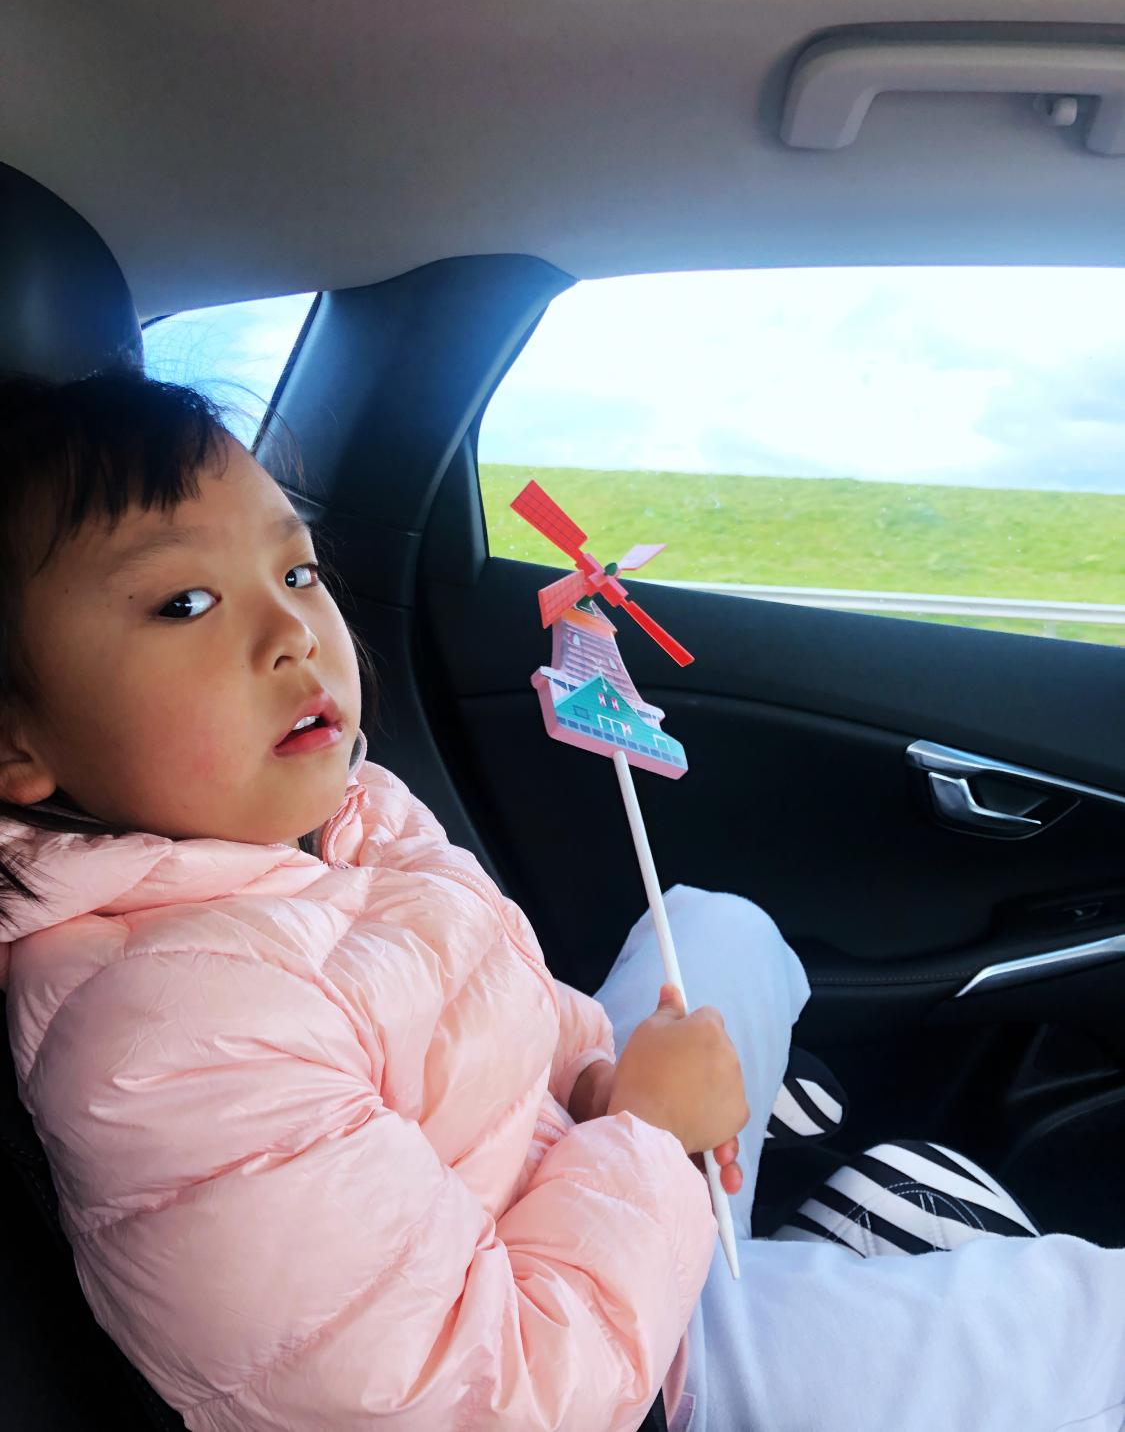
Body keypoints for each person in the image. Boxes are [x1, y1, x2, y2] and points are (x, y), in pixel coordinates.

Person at [0, 373, 1120, 1432]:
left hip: (582, 1202)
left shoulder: (354, 820)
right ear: (17, 743)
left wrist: (593, 1086)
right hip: (623, 1377)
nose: (295, 632)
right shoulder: (170, 1038)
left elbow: (505, 1025)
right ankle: (829, 1257)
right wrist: (651, 1134)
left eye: (297, 573)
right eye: (186, 602)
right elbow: (479, 1400)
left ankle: (789, 1226)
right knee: (1090, 1325)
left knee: (716, 925)